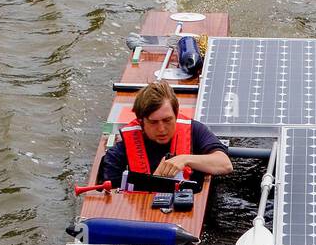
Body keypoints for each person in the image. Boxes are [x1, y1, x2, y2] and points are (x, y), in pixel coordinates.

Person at [99, 81, 232, 188]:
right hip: (141, 210)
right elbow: (109, 194)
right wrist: (154, 182)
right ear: (141, 122)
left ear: (176, 115)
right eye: (153, 122)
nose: (162, 129)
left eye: (167, 120)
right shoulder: (121, 150)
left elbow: (225, 164)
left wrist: (185, 159)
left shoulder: (195, 130)